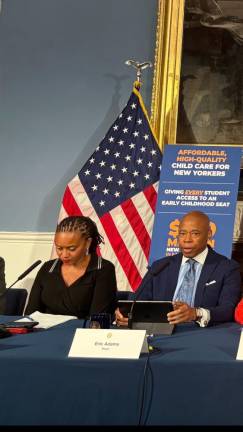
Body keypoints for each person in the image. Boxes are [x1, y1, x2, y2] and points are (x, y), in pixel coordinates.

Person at [115, 211, 241, 327]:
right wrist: (128, 314)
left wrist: (195, 313)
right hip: (160, 331)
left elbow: (228, 310)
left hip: (202, 334)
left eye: (195, 233)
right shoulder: (161, 266)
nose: (187, 240)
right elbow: (139, 302)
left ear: (209, 234)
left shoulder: (227, 268)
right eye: (182, 233)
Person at [25, 216, 117, 318]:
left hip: (81, 332)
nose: (64, 254)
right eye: (59, 248)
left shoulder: (103, 269)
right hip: (44, 331)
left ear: (87, 243)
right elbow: (31, 314)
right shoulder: (48, 268)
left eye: (71, 248)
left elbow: (97, 319)